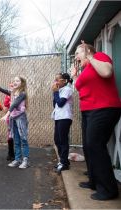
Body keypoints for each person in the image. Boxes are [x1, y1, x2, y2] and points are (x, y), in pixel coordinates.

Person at [71, 41, 121, 201]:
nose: (76, 57)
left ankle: (108, 189)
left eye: (78, 53)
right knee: (88, 146)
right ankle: (94, 181)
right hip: (88, 111)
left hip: (104, 108)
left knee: (95, 145)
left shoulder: (99, 57)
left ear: (86, 51)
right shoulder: (86, 69)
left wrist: (91, 57)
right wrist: (75, 76)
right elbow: (80, 87)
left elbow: (107, 72)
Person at [0, 77, 29, 169]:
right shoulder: (12, 92)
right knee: (16, 139)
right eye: (14, 81)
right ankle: (17, 159)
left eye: (17, 81)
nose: (15, 82)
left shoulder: (22, 93)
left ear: (22, 83)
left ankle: (25, 160)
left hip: (20, 118)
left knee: (23, 139)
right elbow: (2, 89)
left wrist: (7, 115)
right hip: (13, 118)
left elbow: (15, 104)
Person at [51, 73, 73, 173]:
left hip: (65, 117)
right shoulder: (60, 90)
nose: (55, 82)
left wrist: (55, 92)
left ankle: (64, 163)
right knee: (57, 139)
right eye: (55, 80)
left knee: (63, 140)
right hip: (58, 117)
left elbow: (60, 103)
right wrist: (55, 92)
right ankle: (63, 161)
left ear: (64, 81)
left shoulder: (67, 89)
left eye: (57, 80)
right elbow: (54, 104)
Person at [3, 86, 14, 161]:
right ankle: (10, 153)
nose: (11, 89)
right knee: (10, 137)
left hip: (17, 119)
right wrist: (8, 96)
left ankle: (16, 154)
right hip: (10, 119)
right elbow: (5, 105)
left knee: (17, 137)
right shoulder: (8, 97)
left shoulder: (20, 95)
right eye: (9, 88)